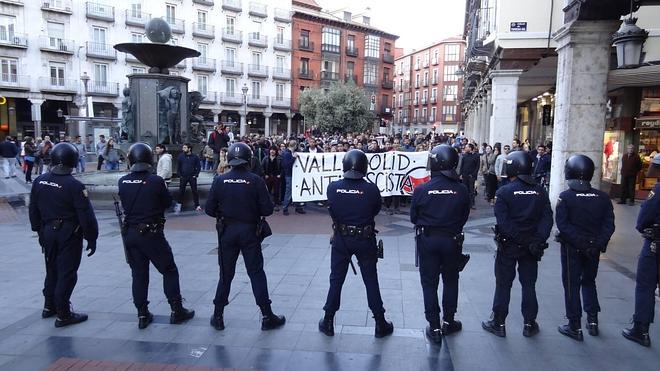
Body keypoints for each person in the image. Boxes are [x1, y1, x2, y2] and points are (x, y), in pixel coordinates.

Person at [205, 142, 285, 331]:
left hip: (227, 231)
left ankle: (218, 315)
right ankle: (267, 315)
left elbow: (209, 209)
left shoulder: (220, 180)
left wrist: (224, 212)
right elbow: (267, 209)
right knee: (256, 273)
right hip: (250, 231)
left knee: (226, 274)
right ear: (249, 159)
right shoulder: (255, 180)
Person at [118, 143, 195, 329]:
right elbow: (167, 203)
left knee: (138, 274)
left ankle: (142, 314)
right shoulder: (155, 181)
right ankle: (176, 310)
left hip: (131, 233)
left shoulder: (123, 181)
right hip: (151, 233)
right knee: (169, 270)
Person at [319, 149, 394, 338]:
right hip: (364, 239)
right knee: (370, 280)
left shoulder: (333, 187)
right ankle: (380, 322)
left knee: (336, 279)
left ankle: (328, 320)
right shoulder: (371, 189)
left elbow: (332, 209)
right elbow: (375, 209)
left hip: (341, 239)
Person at [482, 151, 553, 338]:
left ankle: (498, 322)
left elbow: (503, 223)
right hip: (532, 247)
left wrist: (521, 239)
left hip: (510, 245)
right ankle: (529, 323)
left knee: (503, 284)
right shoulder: (540, 191)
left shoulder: (504, 192)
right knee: (529, 284)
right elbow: (547, 220)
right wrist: (536, 240)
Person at [28, 142, 98, 327]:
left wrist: (38, 230)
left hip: (47, 231)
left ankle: (49, 306)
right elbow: (85, 215)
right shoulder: (74, 185)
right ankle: (63, 313)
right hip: (68, 233)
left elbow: (33, 209)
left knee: (51, 270)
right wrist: (91, 237)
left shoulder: (39, 180)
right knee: (67, 273)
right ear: (72, 160)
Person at [410, 144, 470, 345]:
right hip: (452, 240)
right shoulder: (461, 189)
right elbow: (464, 216)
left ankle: (434, 325)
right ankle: (449, 320)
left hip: (428, 239)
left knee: (429, 283)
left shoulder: (422, 189)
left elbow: (413, 217)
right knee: (451, 280)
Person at [555, 155, 615, 341]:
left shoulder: (566, 197)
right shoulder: (602, 197)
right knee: (589, 282)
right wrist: (596, 244)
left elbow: (563, 225)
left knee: (572, 285)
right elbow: (609, 225)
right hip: (593, 249)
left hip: (572, 248)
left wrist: (581, 243)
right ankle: (593, 320)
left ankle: (574, 325)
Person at [622, 153, 660, 347]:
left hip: (656, 246)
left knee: (646, 285)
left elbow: (644, 218)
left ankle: (641, 329)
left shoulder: (658, 190)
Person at [175, 143, 202, 213]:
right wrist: (180, 175)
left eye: (185, 148)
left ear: (189, 149)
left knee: (195, 191)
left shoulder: (195, 157)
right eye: (183, 147)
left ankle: (197, 205)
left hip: (192, 176)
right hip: (183, 176)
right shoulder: (180, 156)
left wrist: (196, 175)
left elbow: (198, 166)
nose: (183, 149)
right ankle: (179, 205)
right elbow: (178, 167)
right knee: (181, 191)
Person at [281, 140, 305, 215]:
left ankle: (297, 207)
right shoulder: (287, 153)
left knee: (296, 190)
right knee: (289, 191)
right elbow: (287, 165)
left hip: (294, 174)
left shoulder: (289, 153)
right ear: (294, 145)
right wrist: (294, 158)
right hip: (289, 175)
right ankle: (285, 208)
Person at [458, 143, 480, 209]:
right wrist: (460, 174)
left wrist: (473, 174)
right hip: (464, 175)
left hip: (471, 176)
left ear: (470, 148)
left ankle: (472, 203)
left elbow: (477, 166)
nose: (465, 148)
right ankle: (465, 203)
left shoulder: (476, 156)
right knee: (465, 189)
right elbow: (462, 165)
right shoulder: (464, 156)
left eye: (467, 147)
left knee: (471, 190)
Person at [262, 146, 282, 211]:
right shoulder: (265, 158)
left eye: (274, 150)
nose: (272, 151)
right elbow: (262, 167)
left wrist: (280, 175)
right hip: (268, 177)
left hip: (276, 177)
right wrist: (265, 175)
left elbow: (282, 168)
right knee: (268, 191)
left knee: (276, 191)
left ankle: (275, 204)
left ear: (276, 151)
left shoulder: (279, 158)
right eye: (271, 150)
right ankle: (268, 204)